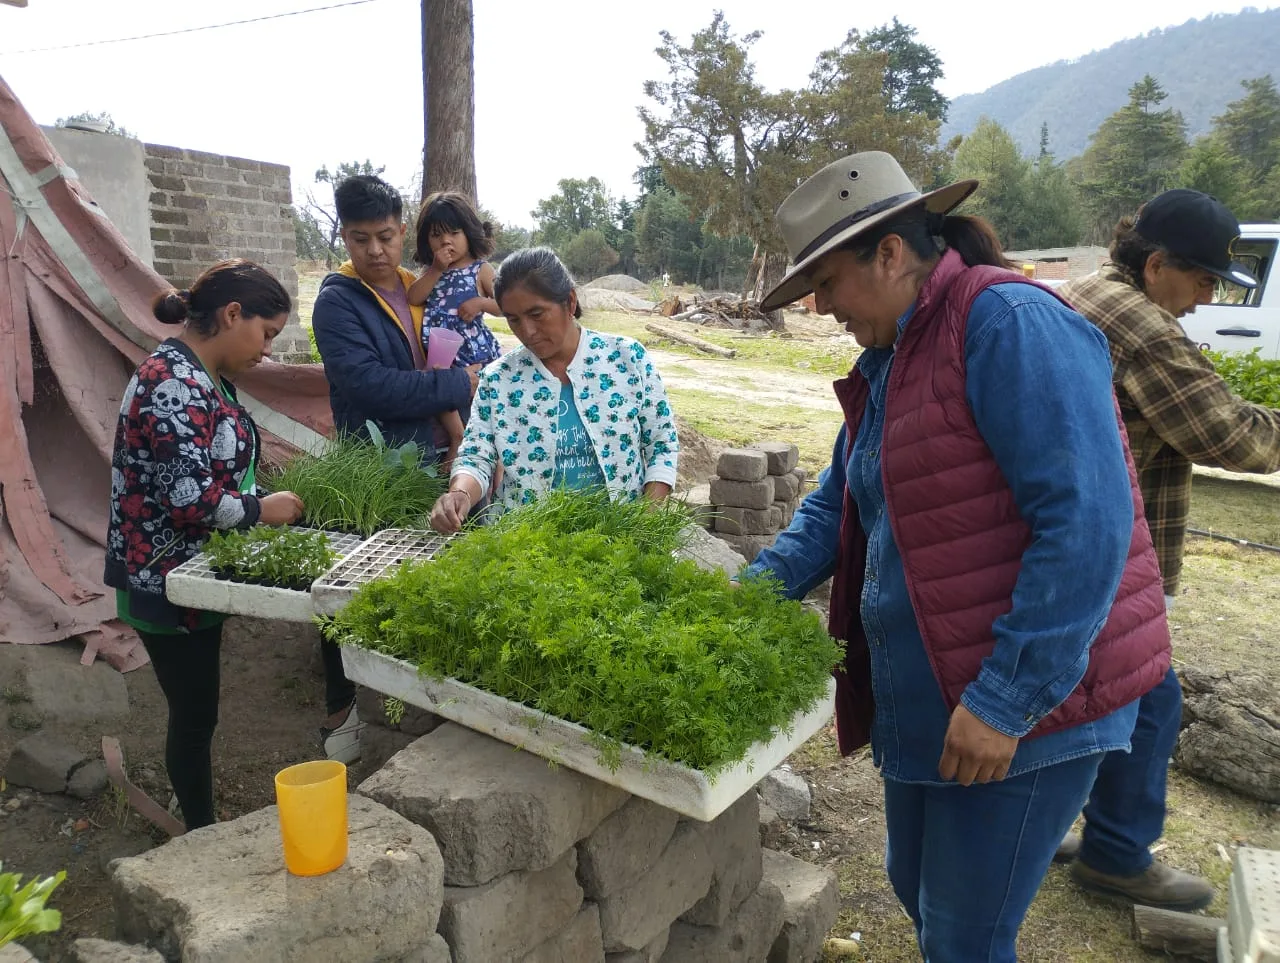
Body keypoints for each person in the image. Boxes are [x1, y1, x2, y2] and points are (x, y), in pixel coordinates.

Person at [741, 151, 1172, 961]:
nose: (823, 307)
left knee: (965, 934)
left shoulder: (1007, 321)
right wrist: (746, 594)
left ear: (891, 253)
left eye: (827, 284)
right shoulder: (891, 356)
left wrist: (1007, 698)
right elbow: (840, 499)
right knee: (916, 885)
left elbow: (1088, 520)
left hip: (1029, 696)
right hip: (937, 691)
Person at [1054, 189, 1280, 910]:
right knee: (1149, 695)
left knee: (1073, 685)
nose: (1207, 297)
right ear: (1157, 266)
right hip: (1106, 550)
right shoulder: (1145, 328)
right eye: (1205, 280)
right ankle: (1116, 852)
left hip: (1061, 534)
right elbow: (1231, 435)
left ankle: (1051, 818)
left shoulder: (1086, 289)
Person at [106, 260, 317, 829]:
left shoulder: (201, 374)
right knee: (194, 716)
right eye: (266, 333)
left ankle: (195, 812)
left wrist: (260, 497)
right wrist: (259, 510)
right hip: (163, 578)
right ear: (231, 315)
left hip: (194, 571)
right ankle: (200, 832)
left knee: (198, 709)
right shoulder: (170, 381)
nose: (268, 350)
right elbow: (189, 498)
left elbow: (210, 469)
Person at [429, 248, 678, 532]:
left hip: (618, 543)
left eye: (537, 314)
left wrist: (645, 523)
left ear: (569, 302)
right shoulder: (499, 380)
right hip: (526, 545)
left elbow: (662, 443)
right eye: (514, 320)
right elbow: (477, 455)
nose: (528, 331)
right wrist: (459, 493)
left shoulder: (626, 358)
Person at [311, 174, 479, 455]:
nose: (375, 250)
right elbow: (370, 387)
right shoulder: (336, 303)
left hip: (457, 452)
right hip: (392, 467)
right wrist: (458, 383)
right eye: (361, 239)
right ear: (344, 237)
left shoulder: (419, 288)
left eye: (385, 237)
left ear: (401, 233)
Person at [407, 191, 502, 466]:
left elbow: (506, 305)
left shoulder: (480, 270)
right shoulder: (433, 272)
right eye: (436, 235)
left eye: (454, 233)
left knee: (483, 415)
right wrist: (436, 269)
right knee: (439, 388)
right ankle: (456, 437)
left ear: (469, 234)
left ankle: (490, 463)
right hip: (441, 353)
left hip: (474, 353)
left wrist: (481, 302)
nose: (445, 241)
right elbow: (414, 297)